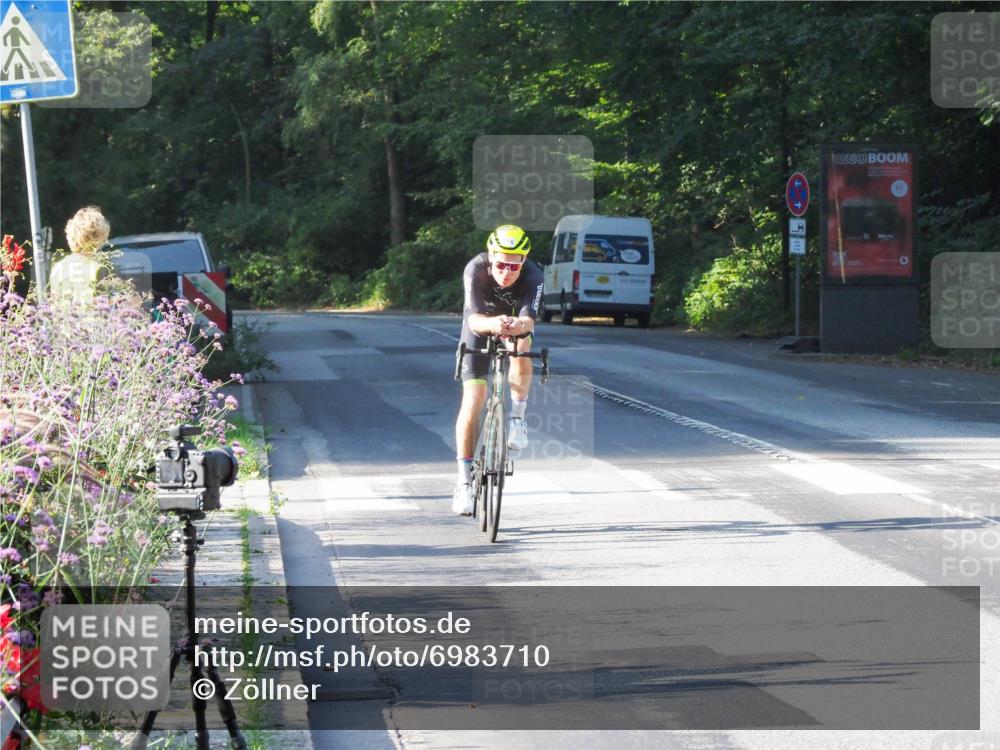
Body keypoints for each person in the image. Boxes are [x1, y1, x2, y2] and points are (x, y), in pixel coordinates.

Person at [453, 224, 544, 516]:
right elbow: (473, 320)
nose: (506, 271)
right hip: (481, 325)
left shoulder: (534, 275)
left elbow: (529, 320)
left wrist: (517, 326)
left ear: (523, 262)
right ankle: (464, 482)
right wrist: (494, 324)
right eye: (501, 264)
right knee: (474, 399)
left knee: (522, 345)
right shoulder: (475, 269)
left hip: (514, 325)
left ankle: (517, 418)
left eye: (514, 266)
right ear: (491, 257)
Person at [49, 206, 112, 303]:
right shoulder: (100, 269)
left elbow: (54, 303)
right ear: (99, 238)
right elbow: (103, 305)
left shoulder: (57, 267)